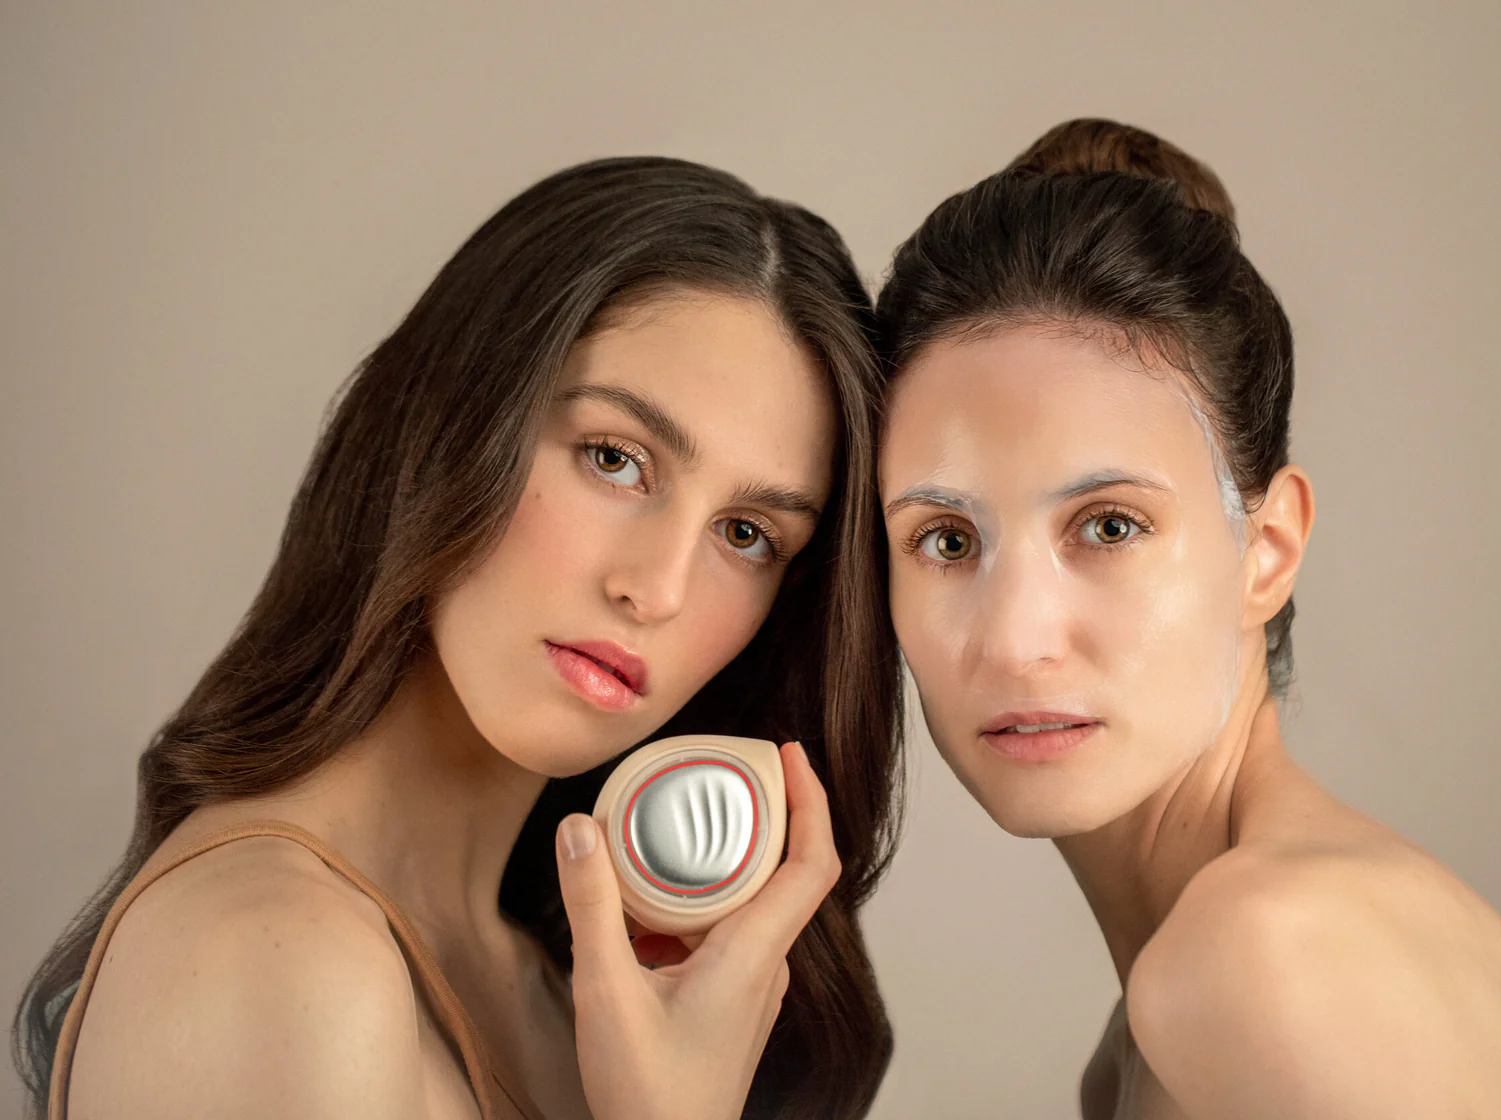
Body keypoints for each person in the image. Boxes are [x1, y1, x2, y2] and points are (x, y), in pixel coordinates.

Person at [15, 156, 902, 1120]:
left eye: (746, 535)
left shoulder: (571, 989)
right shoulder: (280, 962)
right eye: (615, 459)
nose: (657, 590)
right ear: (454, 420)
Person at [874, 118, 1501, 1118]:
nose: (1014, 637)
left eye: (1109, 525)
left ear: (1266, 550)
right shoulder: (1187, 1001)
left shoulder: (1264, 960)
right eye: (946, 540)